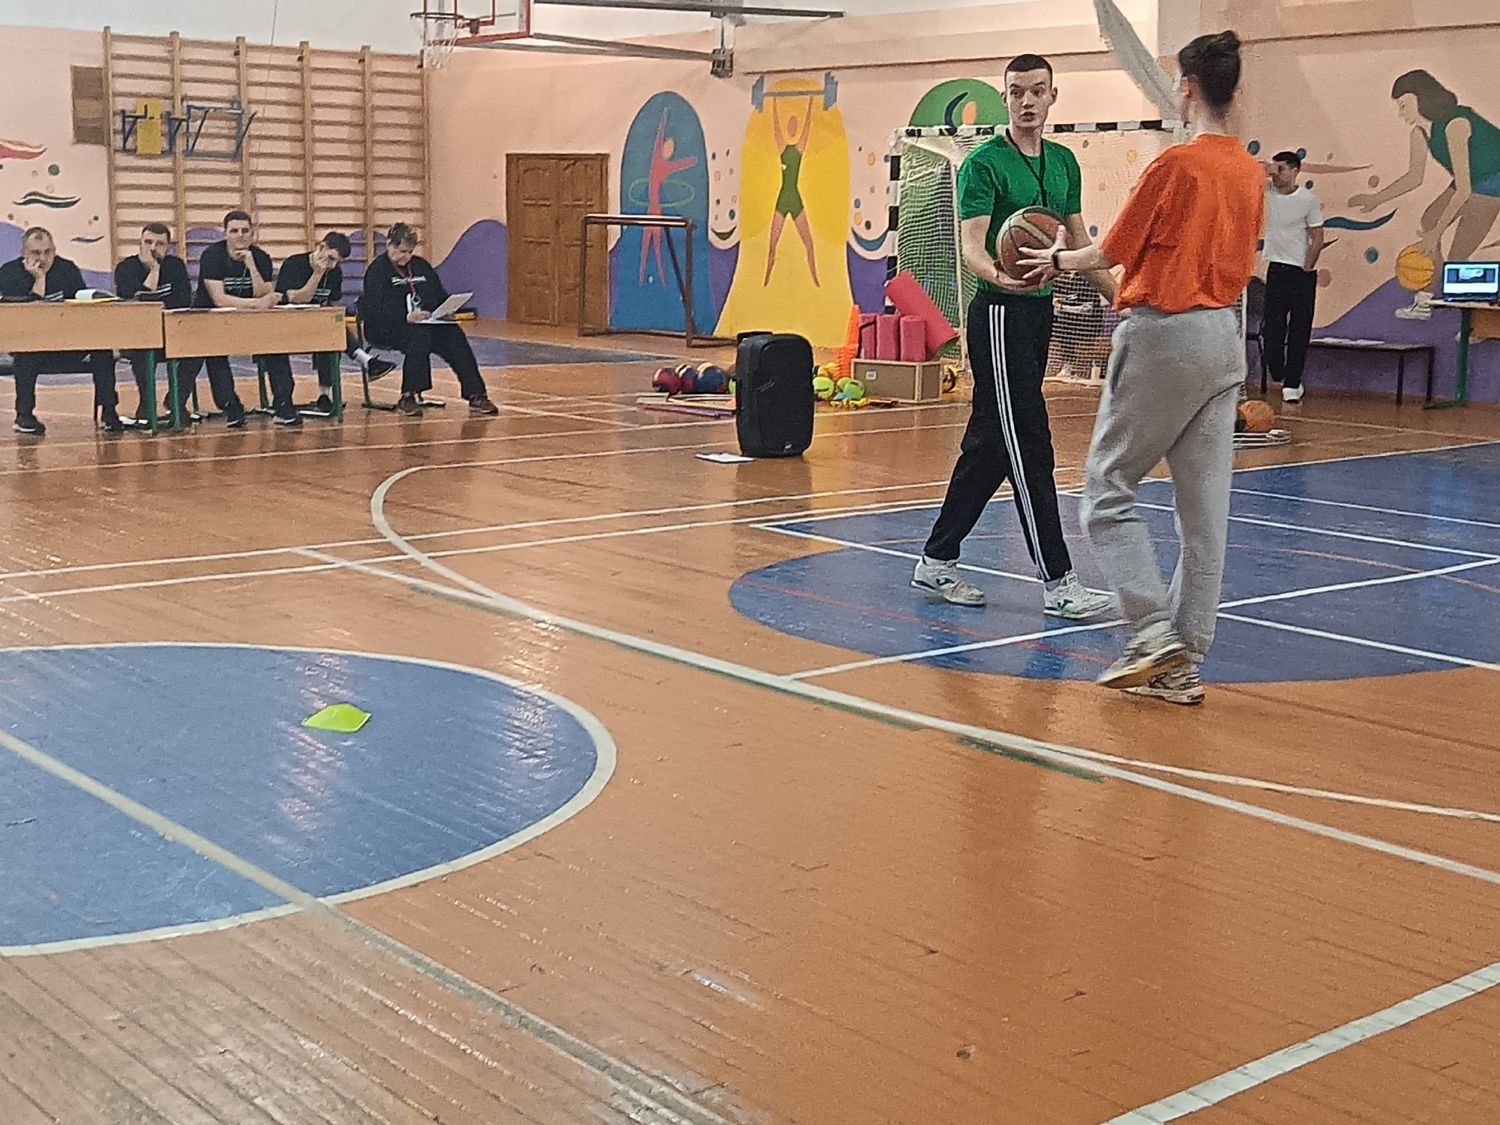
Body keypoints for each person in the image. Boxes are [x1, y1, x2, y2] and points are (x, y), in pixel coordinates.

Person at [1023, 30, 1264, 704]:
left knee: (1107, 489)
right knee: (1204, 518)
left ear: (1186, 88)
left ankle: (1151, 632)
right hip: (1223, 339)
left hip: (1165, 334)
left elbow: (1110, 251)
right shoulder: (1250, 171)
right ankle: (1181, 663)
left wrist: (1056, 260)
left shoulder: (1175, 166)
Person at [909, 53, 1116, 620]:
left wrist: (1121, 298)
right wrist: (1001, 276)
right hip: (998, 315)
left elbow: (1078, 242)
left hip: (1039, 316)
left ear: (1053, 96)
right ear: (1005, 98)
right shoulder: (983, 164)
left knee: (988, 447)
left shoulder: (1064, 163)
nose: (1028, 101)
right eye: (1017, 91)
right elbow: (972, 247)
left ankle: (936, 559)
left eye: (1037, 91)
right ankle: (1059, 581)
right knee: (1029, 443)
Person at [1350, 70, 1500, 320]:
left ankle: (1471, 323)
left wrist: (1436, 234)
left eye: (1404, 105)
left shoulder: (1456, 124)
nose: (1401, 113)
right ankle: (1425, 301)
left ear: (1422, 98)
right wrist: (1377, 199)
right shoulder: (1420, 132)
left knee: (1458, 253)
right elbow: (1414, 177)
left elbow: (1464, 189)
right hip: (1469, 182)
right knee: (1429, 220)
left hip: (1491, 185)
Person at [360, 222, 498, 417]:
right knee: (419, 336)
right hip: (387, 327)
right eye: (402, 251)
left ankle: (476, 394)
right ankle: (408, 395)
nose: (406, 257)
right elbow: (373, 308)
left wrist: (445, 310)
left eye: (410, 252)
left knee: (454, 335)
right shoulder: (377, 271)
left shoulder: (420, 266)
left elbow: (438, 294)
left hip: (424, 323)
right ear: (389, 244)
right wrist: (405, 316)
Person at [0, 226, 121, 435]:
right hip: (32, 345)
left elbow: (81, 304)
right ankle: (24, 415)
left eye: (48, 252)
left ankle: (109, 411)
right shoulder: (9, 273)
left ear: (54, 250)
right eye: (35, 253)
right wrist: (39, 279)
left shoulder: (67, 270)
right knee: (26, 353)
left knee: (102, 349)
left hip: (67, 343)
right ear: (23, 252)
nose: (42, 258)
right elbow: (22, 315)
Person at [179, 210, 283, 426]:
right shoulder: (212, 256)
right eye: (234, 231)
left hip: (248, 321)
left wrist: (251, 266)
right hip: (211, 320)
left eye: (245, 231)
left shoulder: (260, 257)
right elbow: (219, 299)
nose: (240, 235)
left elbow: (265, 293)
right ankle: (229, 404)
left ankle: (284, 403)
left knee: (277, 344)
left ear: (252, 233)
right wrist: (256, 304)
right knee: (212, 349)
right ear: (225, 233)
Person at [263, 231, 355, 419]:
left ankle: (325, 394)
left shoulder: (335, 272)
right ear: (322, 247)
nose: (332, 265)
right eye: (331, 259)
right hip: (286, 325)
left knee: (332, 330)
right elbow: (299, 299)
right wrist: (317, 274)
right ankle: (283, 401)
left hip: (315, 325)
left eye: (337, 262)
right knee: (275, 347)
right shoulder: (294, 264)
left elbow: (333, 306)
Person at [113, 221, 193, 423]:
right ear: (139, 244)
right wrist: (154, 271)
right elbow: (138, 302)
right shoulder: (126, 268)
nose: (153, 248)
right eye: (148, 242)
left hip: (170, 332)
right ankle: (147, 402)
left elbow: (183, 301)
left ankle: (176, 401)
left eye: (159, 244)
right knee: (142, 350)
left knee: (195, 350)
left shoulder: (176, 267)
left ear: (168, 247)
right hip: (138, 335)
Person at [1262, 151, 1324, 403]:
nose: (1276, 175)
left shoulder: (1308, 200)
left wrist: (1308, 266)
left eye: (1282, 169)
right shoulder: (1267, 192)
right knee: (1272, 329)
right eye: (1274, 169)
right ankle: (1278, 371)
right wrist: (1266, 169)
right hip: (1276, 269)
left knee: (1299, 331)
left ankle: (1292, 382)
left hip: (1300, 273)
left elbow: (1317, 236)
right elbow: (1249, 172)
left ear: (1296, 171)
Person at [764, 96, 819, 286]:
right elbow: (776, 128)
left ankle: (815, 277)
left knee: (809, 243)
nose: (793, 128)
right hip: (783, 198)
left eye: (796, 125)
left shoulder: (798, 149)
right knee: (772, 243)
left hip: (795, 198)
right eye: (791, 125)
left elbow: (808, 126)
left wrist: (811, 104)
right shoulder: (783, 149)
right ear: (788, 128)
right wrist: (773, 105)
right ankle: (766, 277)